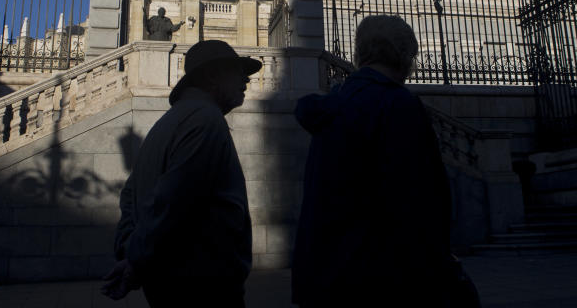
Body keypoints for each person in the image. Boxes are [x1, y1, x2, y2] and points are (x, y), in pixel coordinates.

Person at [291, 15, 454, 307]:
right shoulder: (397, 104)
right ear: (404, 56)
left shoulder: (333, 106)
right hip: (380, 280)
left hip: (325, 278)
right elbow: (420, 201)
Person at [103, 40, 262, 307]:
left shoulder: (165, 124)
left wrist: (130, 253)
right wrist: (136, 261)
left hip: (171, 285)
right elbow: (175, 200)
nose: (246, 80)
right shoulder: (205, 120)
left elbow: (130, 196)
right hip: (202, 288)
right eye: (237, 72)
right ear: (212, 76)